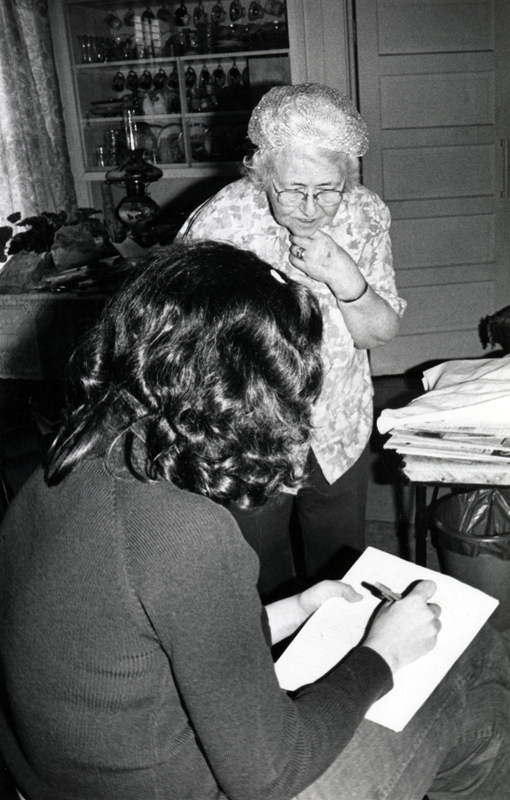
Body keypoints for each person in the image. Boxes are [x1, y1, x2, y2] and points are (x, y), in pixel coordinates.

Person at [1, 240, 509, 800]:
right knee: (473, 661)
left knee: (476, 711)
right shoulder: (184, 529)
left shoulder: (66, 463)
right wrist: (381, 655)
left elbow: (133, 638)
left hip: (64, 778)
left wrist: (292, 611)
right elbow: (268, 775)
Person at [178, 83, 406, 599]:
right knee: (263, 577)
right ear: (261, 171)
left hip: (337, 424)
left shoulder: (364, 214)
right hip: (251, 431)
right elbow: (185, 345)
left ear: (347, 177)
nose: (308, 207)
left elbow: (380, 334)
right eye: (291, 189)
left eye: (327, 189)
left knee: (340, 569)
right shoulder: (222, 222)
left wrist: (347, 278)